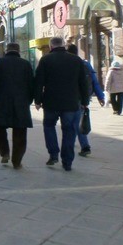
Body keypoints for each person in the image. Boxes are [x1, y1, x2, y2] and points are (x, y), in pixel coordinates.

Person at [34, 37, 90, 171]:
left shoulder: (45, 60)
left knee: (49, 126)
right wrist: (85, 101)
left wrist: (37, 100)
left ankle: (53, 154)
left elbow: (39, 82)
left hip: (51, 102)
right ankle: (67, 161)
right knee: (69, 130)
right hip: (71, 102)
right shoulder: (76, 60)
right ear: (63, 45)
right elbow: (83, 82)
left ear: (51, 46)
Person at [0, 43, 34, 169]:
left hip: (2, 102)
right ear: (18, 51)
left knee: (0, 128)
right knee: (20, 132)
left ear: (6, 50)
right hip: (21, 103)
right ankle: (17, 161)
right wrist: (29, 100)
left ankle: (5, 153)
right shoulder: (26, 64)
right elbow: (31, 84)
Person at [66, 44, 105, 157]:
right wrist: (100, 96)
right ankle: (79, 144)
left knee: (73, 122)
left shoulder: (68, 64)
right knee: (78, 121)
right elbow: (94, 81)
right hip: (84, 97)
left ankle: (83, 145)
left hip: (71, 98)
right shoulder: (85, 64)